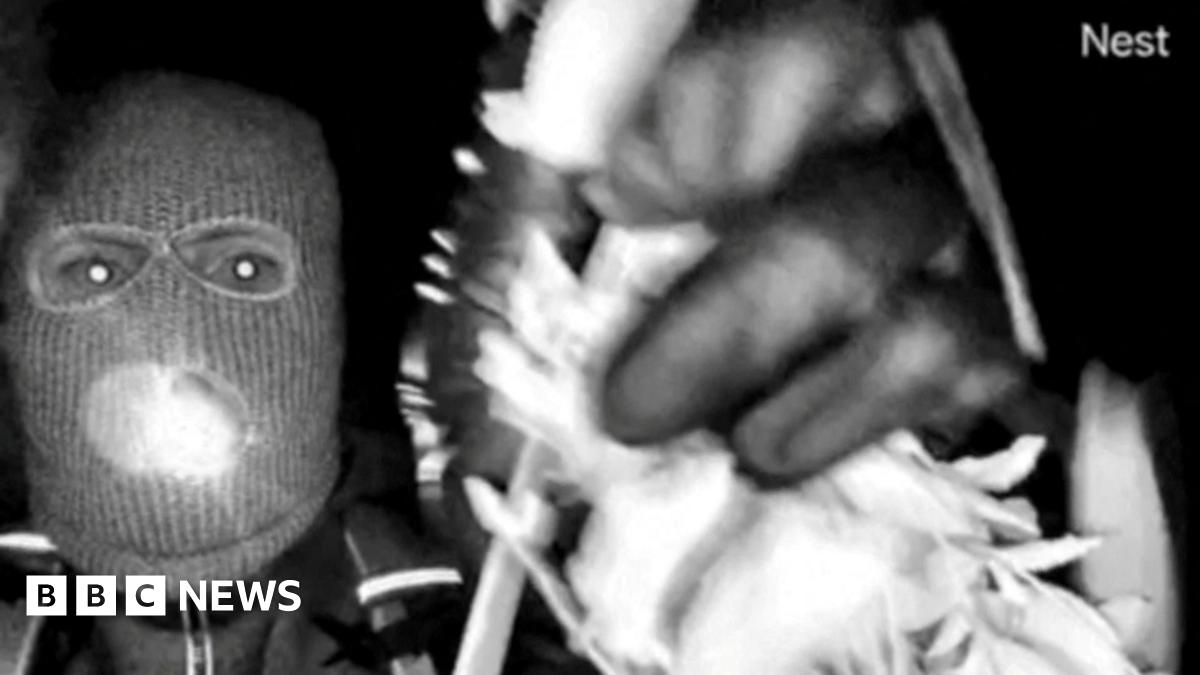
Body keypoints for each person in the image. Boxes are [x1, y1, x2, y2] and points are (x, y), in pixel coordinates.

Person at [0, 72, 464, 674]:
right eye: (94, 271)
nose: (167, 335)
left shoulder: (461, 609)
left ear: (323, 315)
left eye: (244, 268)